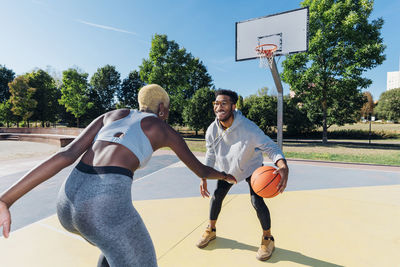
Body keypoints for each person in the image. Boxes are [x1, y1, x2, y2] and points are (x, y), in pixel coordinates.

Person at [0, 84, 236, 267]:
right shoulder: (163, 129)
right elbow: (201, 170)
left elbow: (67, 154)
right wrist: (225, 175)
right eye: (168, 110)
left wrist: (6, 200)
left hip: (66, 200)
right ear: (162, 109)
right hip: (101, 208)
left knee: (111, 246)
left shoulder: (113, 114)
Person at [195, 89, 289, 261]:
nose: (219, 107)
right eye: (216, 103)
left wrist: (282, 164)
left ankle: (268, 239)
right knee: (217, 196)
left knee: (256, 201)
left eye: (224, 103)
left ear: (233, 106)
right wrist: (203, 177)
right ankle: (211, 230)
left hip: (250, 167)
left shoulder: (249, 128)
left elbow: (271, 147)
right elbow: (210, 154)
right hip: (227, 170)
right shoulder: (211, 130)